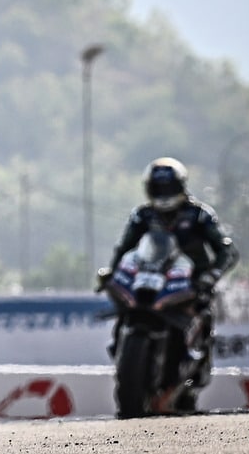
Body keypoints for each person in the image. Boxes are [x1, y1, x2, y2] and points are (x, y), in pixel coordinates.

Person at [96, 157, 239, 399]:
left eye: (168, 188)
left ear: (181, 186)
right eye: (158, 188)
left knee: (203, 312)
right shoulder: (143, 216)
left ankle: (198, 364)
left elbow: (226, 250)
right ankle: (122, 351)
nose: (163, 194)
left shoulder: (199, 215)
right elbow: (124, 249)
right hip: (152, 278)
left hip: (191, 282)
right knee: (127, 307)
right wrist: (112, 272)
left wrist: (211, 275)